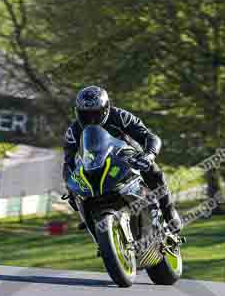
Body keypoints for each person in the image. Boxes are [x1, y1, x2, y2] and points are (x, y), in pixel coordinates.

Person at [62, 85, 182, 233]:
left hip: (125, 157)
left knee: (153, 170)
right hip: (95, 165)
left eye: (96, 114)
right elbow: (68, 161)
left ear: (106, 109)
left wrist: (149, 155)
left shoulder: (120, 116)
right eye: (85, 115)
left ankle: (169, 213)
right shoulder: (73, 131)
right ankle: (91, 221)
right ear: (78, 112)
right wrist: (69, 185)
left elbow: (149, 136)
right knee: (75, 193)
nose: (91, 119)